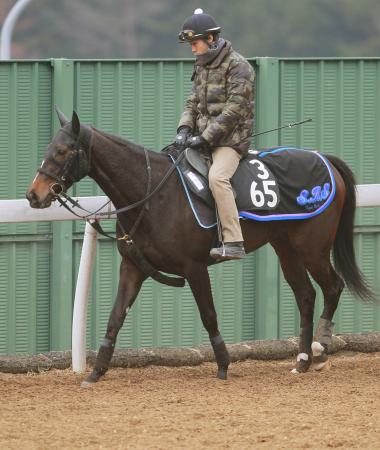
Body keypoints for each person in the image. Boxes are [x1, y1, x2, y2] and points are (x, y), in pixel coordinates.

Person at [174, 8, 255, 261]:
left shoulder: (239, 66)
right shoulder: (201, 66)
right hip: (202, 139)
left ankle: (233, 241)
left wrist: (206, 137)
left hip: (230, 142)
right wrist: (184, 128)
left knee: (218, 178)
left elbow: (234, 110)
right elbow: (192, 102)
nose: (192, 48)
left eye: (194, 43)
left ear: (210, 39)